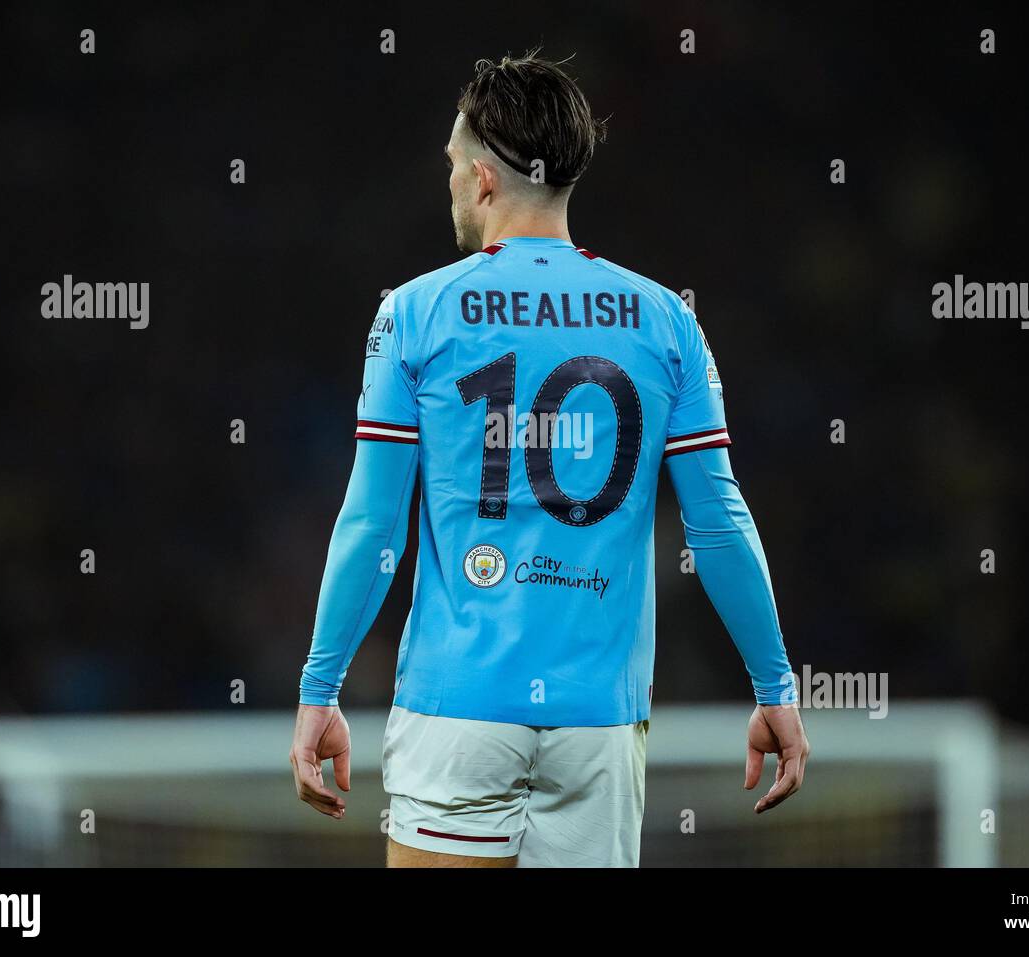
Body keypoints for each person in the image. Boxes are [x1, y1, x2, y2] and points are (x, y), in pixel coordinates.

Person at [290, 51, 808, 868]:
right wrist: (775, 684)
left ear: (488, 179)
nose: (452, 183)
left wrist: (320, 687)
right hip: (599, 723)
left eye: (457, 166)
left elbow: (372, 522)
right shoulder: (667, 320)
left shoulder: (414, 313)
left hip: (459, 707)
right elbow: (718, 522)